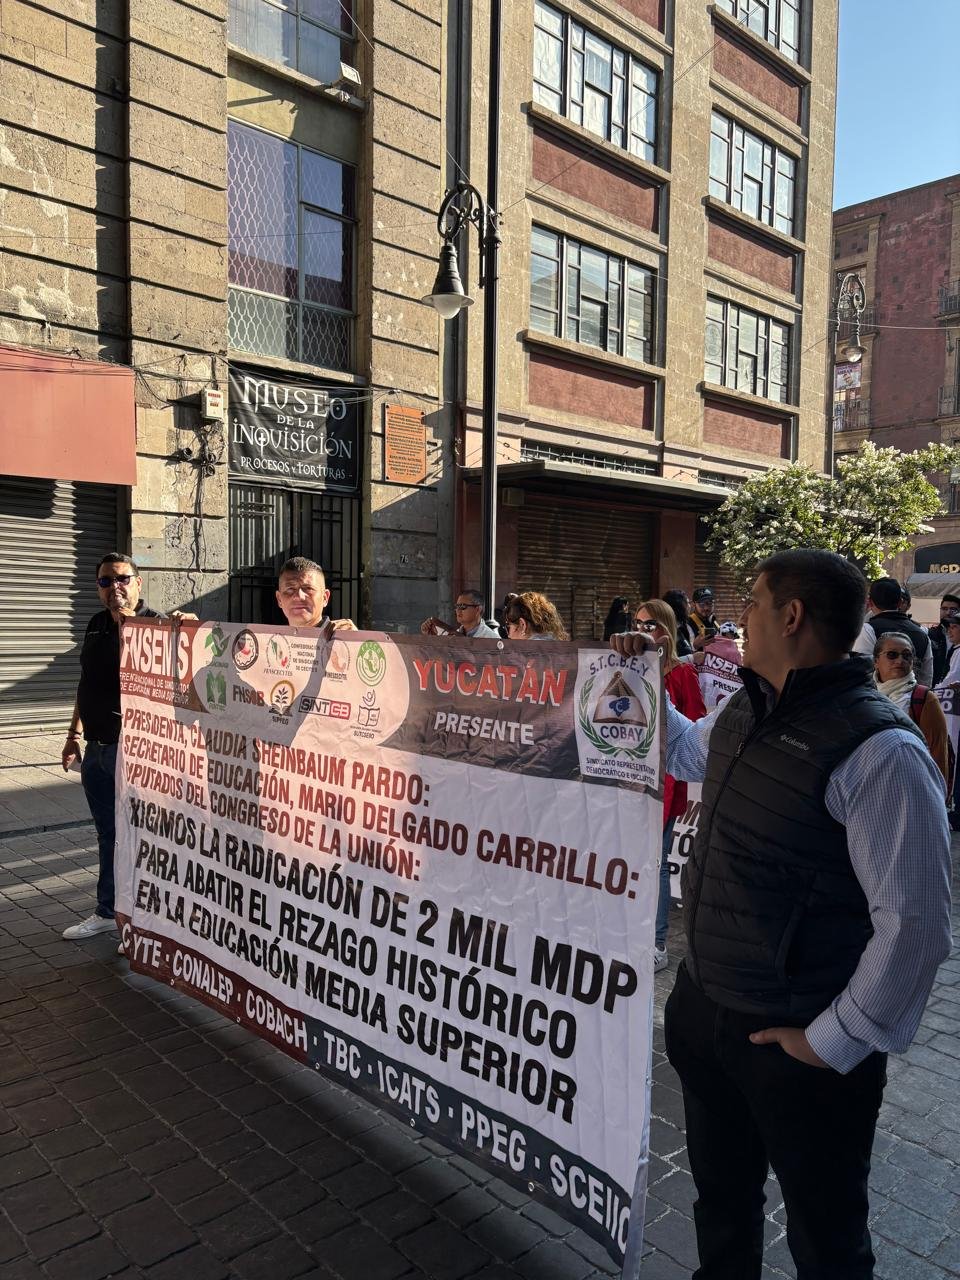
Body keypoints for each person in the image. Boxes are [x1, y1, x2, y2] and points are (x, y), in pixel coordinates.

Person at [611, 548, 951, 1280]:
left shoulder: (882, 751)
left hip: (798, 1044)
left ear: (791, 616)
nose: (739, 623)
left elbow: (916, 925)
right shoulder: (746, 706)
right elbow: (683, 752)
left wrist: (833, 1040)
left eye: (755, 605)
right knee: (721, 1207)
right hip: (707, 1014)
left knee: (826, 1240)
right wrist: (637, 675)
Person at [60, 555, 194, 939]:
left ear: (138, 582)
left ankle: (143, 923)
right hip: (96, 751)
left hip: (133, 752)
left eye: (121, 579)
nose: (113, 588)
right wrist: (72, 734)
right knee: (108, 835)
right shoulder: (95, 625)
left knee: (142, 838)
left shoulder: (157, 626)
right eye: (105, 582)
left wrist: (185, 629)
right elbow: (86, 684)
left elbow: (192, 677)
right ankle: (108, 911)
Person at [634, 599, 706, 972]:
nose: (642, 630)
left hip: (666, 782)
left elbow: (694, 729)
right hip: (630, 781)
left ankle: (657, 942)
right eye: (637, 623)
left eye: (650, 625)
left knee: (657, 865)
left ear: (666, 631)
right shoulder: (628, 666)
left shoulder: (680, 673)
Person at [874, 631, 950, 789]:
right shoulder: (866, 695)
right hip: (872, 789)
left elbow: (938, 757)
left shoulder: (924, 699)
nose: (900, 661)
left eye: (906, 655)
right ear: (876, 661)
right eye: (892, 655)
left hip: (912, 790)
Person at [853, 576, 932, 685]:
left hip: (876, 699)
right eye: (891, 655)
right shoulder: (922, 634)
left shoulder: (867, 630)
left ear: (870, 602)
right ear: (900, 602)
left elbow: (861, 674)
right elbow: (926, 678)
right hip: (914, 699)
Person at [275, 556, 357, 631]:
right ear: (279, 599)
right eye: (290, 589)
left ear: (325, 597)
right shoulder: (269, 643)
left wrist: (357, 641)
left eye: (308, 588)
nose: (299, 596)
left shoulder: (343, 637)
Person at [421, 589, 500, 638]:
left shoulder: (492, 639)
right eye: (457, 606)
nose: (458, 610)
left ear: (477, 609)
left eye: (462, 606)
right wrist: (430, 638)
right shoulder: (451, 636)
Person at [502, 591, 569, 639]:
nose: (509, 636)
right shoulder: (563, 649)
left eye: (508, 627)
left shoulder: (524, 656)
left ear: (522, 625)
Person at [927, 592, 960, 685]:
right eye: (944, 609)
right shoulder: (930, 634)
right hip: (933, 687)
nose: (948, 612)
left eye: (953, 609)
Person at [663, 589, 694, 657]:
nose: (690, 606)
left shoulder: (683, 627)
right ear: (680, 607)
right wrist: (692, 658)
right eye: (688, 603)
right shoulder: (665, 631)